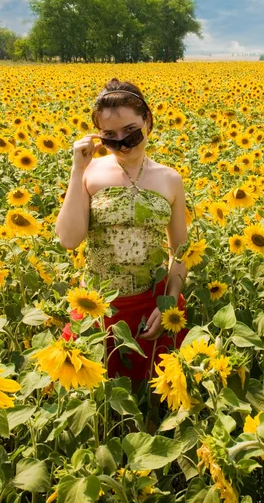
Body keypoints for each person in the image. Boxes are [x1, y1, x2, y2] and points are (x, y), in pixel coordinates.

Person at [55, 78, 189, 387]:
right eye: (111, 137)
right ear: (98, 137)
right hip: (98, 307)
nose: (124, 143)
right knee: (89, 397)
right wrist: (77, 169)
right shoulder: (89, 172)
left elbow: (180, 250)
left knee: (157, 397)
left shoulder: (170, 179)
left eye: (131, 131)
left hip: (153, 306)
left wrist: (167, 302)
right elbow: (69, 239)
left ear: (147, 121)